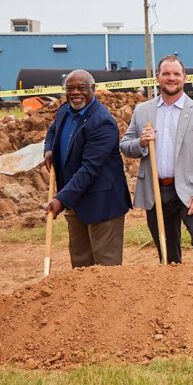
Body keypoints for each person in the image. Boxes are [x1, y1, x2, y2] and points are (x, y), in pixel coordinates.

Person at [121, 55, 193, 267]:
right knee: (167, 249)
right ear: (157, 77)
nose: (171, 78)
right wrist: (141, 142)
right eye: (166, 74)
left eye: (176, 74)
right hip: (156, 190)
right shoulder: (143, 111)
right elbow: (125, 146)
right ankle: (175, 293)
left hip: (190, 189)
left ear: (184, 78)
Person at [43, 69, 131, 267]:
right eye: (70, 88)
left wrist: (60, 200)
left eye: (81, 88)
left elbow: (89, 169)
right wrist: (49, 150)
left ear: (93, 89)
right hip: (75, 200)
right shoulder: (65, 111)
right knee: (81, 263)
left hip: (102, 203)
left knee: (105, 267)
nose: (75, 92)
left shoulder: (102, 123)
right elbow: (52, 131)